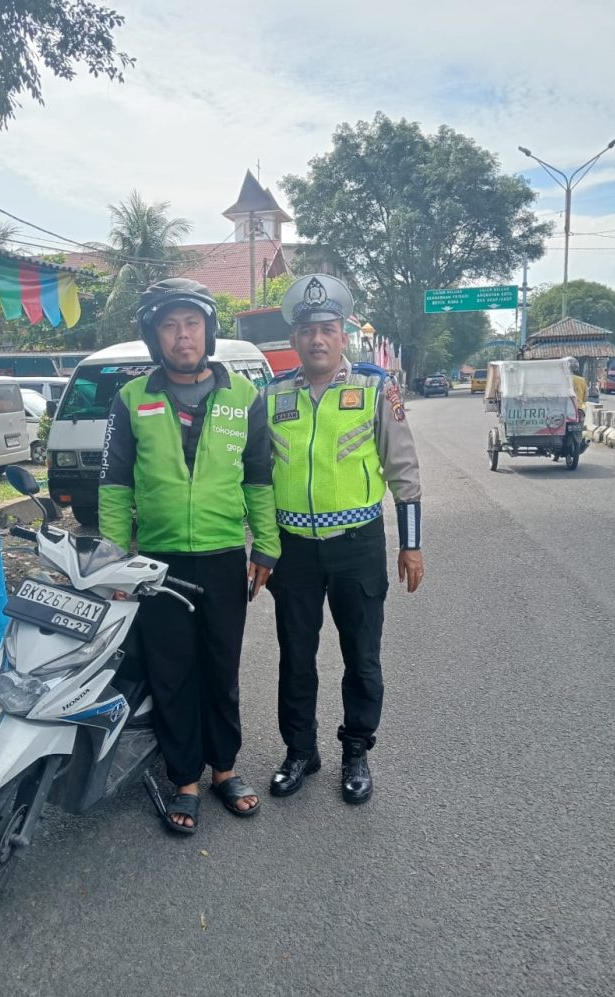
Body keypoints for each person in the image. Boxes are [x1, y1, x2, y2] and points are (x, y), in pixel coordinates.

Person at [99, 278, 280, 834]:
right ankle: (185, 779)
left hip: (225, 555)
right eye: (170, 326)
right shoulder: (131, 399)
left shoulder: (244, 398)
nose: (183, 336)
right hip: (158, 561)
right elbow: (114, 485)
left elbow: (258, 479)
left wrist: (267, 545)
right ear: (156, 336)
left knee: (220, 666)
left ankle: (224, 769)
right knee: (171, 671)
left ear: (208, 330)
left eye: (192, 324)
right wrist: (112, 561)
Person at [264, 274, 424, 805]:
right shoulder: (272, 396)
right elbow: (255, 476)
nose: (317, 339)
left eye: (328, 329)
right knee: (296, 655)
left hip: (357, 545)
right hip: (293, 551)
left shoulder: (376, 389)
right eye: (308, 330)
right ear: (294, 340)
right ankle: (300, 751)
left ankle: (355, 751)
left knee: (361, 655)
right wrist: (261, 545)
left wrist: (411, 542)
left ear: (344, 336)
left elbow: (403, 468)